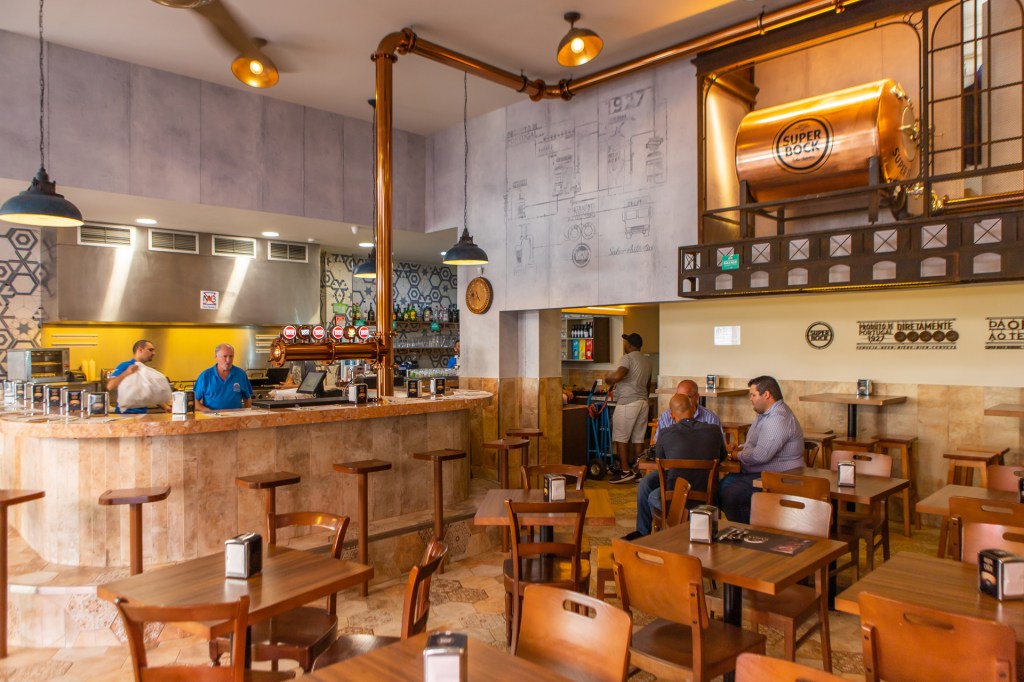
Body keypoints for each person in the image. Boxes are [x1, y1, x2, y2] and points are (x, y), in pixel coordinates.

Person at [635, 393, 727, 535]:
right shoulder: (714, 430)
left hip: (676, 494)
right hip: (706, 492)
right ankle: (649, 533)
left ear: (671, 416)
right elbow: (722, 456)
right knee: (646, 485)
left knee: (652, 496)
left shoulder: (665, 433)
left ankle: (665, 530)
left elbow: (661, 461)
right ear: (693, 409)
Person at [718, 375, 804, 523]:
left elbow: (760, 455)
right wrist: (740, 448)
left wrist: (735, 455)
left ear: (766, 395)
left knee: (730, 495)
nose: (750, 399)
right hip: (760, 472)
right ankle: (751, 524)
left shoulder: (778, 418)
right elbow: (756, 444)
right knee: (720, 489)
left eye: (753, 395)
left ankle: (752, 530)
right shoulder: (765, 414)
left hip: (780, 477)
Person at [604, 332, 652, 483]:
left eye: (626, 342)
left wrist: (608, 379)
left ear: (630, 345)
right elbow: (648, 385)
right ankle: (637, 471)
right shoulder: (647, 361)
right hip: (643, 402)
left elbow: (618, 376)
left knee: (621, 437)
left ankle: (625, 471)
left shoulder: (627, 358)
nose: (624, 345)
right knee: (638, 438)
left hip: (627, 403)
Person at [652, 379, 722, 443]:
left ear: (697, 397)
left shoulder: (711, 418)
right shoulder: (665, 416)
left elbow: (719, 444)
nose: (682, 400)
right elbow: (658, 443)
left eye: (687, 397)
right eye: (679, 396)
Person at [106, 339, 162, 414]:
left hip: (142, 415)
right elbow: (110, 386)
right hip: (125, 415)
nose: (154, 353)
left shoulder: (145, 370)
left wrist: (165, 407)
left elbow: (151, 393)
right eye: (150, 350)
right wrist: (127, 372)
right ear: (140, 350)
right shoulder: (125, 366)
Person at [194, 344, 254, 411]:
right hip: (212, 417)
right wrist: (209, 411)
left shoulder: (241, 374)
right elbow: (195, 402)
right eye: (224, 356)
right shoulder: (205, 376)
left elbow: (247, 398)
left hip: (236, 417)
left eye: (231, 356)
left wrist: (247, 414)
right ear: (216, 357)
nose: (228, 360)